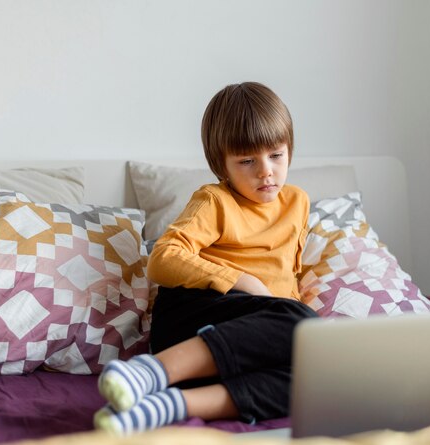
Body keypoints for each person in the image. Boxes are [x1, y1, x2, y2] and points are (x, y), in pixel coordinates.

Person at [93, 81, 318, 435]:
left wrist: (292, 306)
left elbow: (285, 274)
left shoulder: (298, 203)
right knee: (303, 324)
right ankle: (149, 372)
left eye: (276, 155)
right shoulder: (215, 200)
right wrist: (243, 281)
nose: (266, 171)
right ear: (221, 166)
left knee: (314, 373)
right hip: (194, 319)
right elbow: (163, 258)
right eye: (247, 161)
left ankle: (166, 406)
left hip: (250, 337)